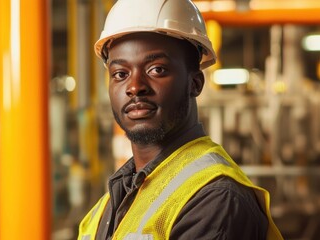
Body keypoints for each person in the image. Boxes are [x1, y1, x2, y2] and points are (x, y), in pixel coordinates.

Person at [78, 0, 283, 239]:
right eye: (120, 74)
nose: (134, 87)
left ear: (195, 83)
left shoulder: (215, 199)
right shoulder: (110, 202)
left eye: (157, 69)